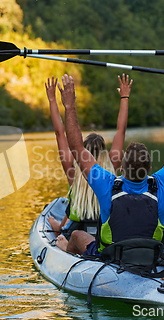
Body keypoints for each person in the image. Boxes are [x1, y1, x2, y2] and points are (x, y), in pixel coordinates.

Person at [56, 74, 164, 256]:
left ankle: (64, 251)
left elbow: (76, 147)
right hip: (151, 256)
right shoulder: (162, 184)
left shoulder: (107, 184)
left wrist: (69, 105)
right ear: (150, 170)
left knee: (77, 235)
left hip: (112, 257)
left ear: (121, 168)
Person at [45, 74, 131, 239]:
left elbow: (60, 134)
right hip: (104, 233)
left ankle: (51, 220)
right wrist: (124, 97)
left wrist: (52, 100)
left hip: (76, 235)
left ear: (82, 151)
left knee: (53, 222)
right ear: (104, 152)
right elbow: (121, 130)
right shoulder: (112, 166)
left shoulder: (72, 170)